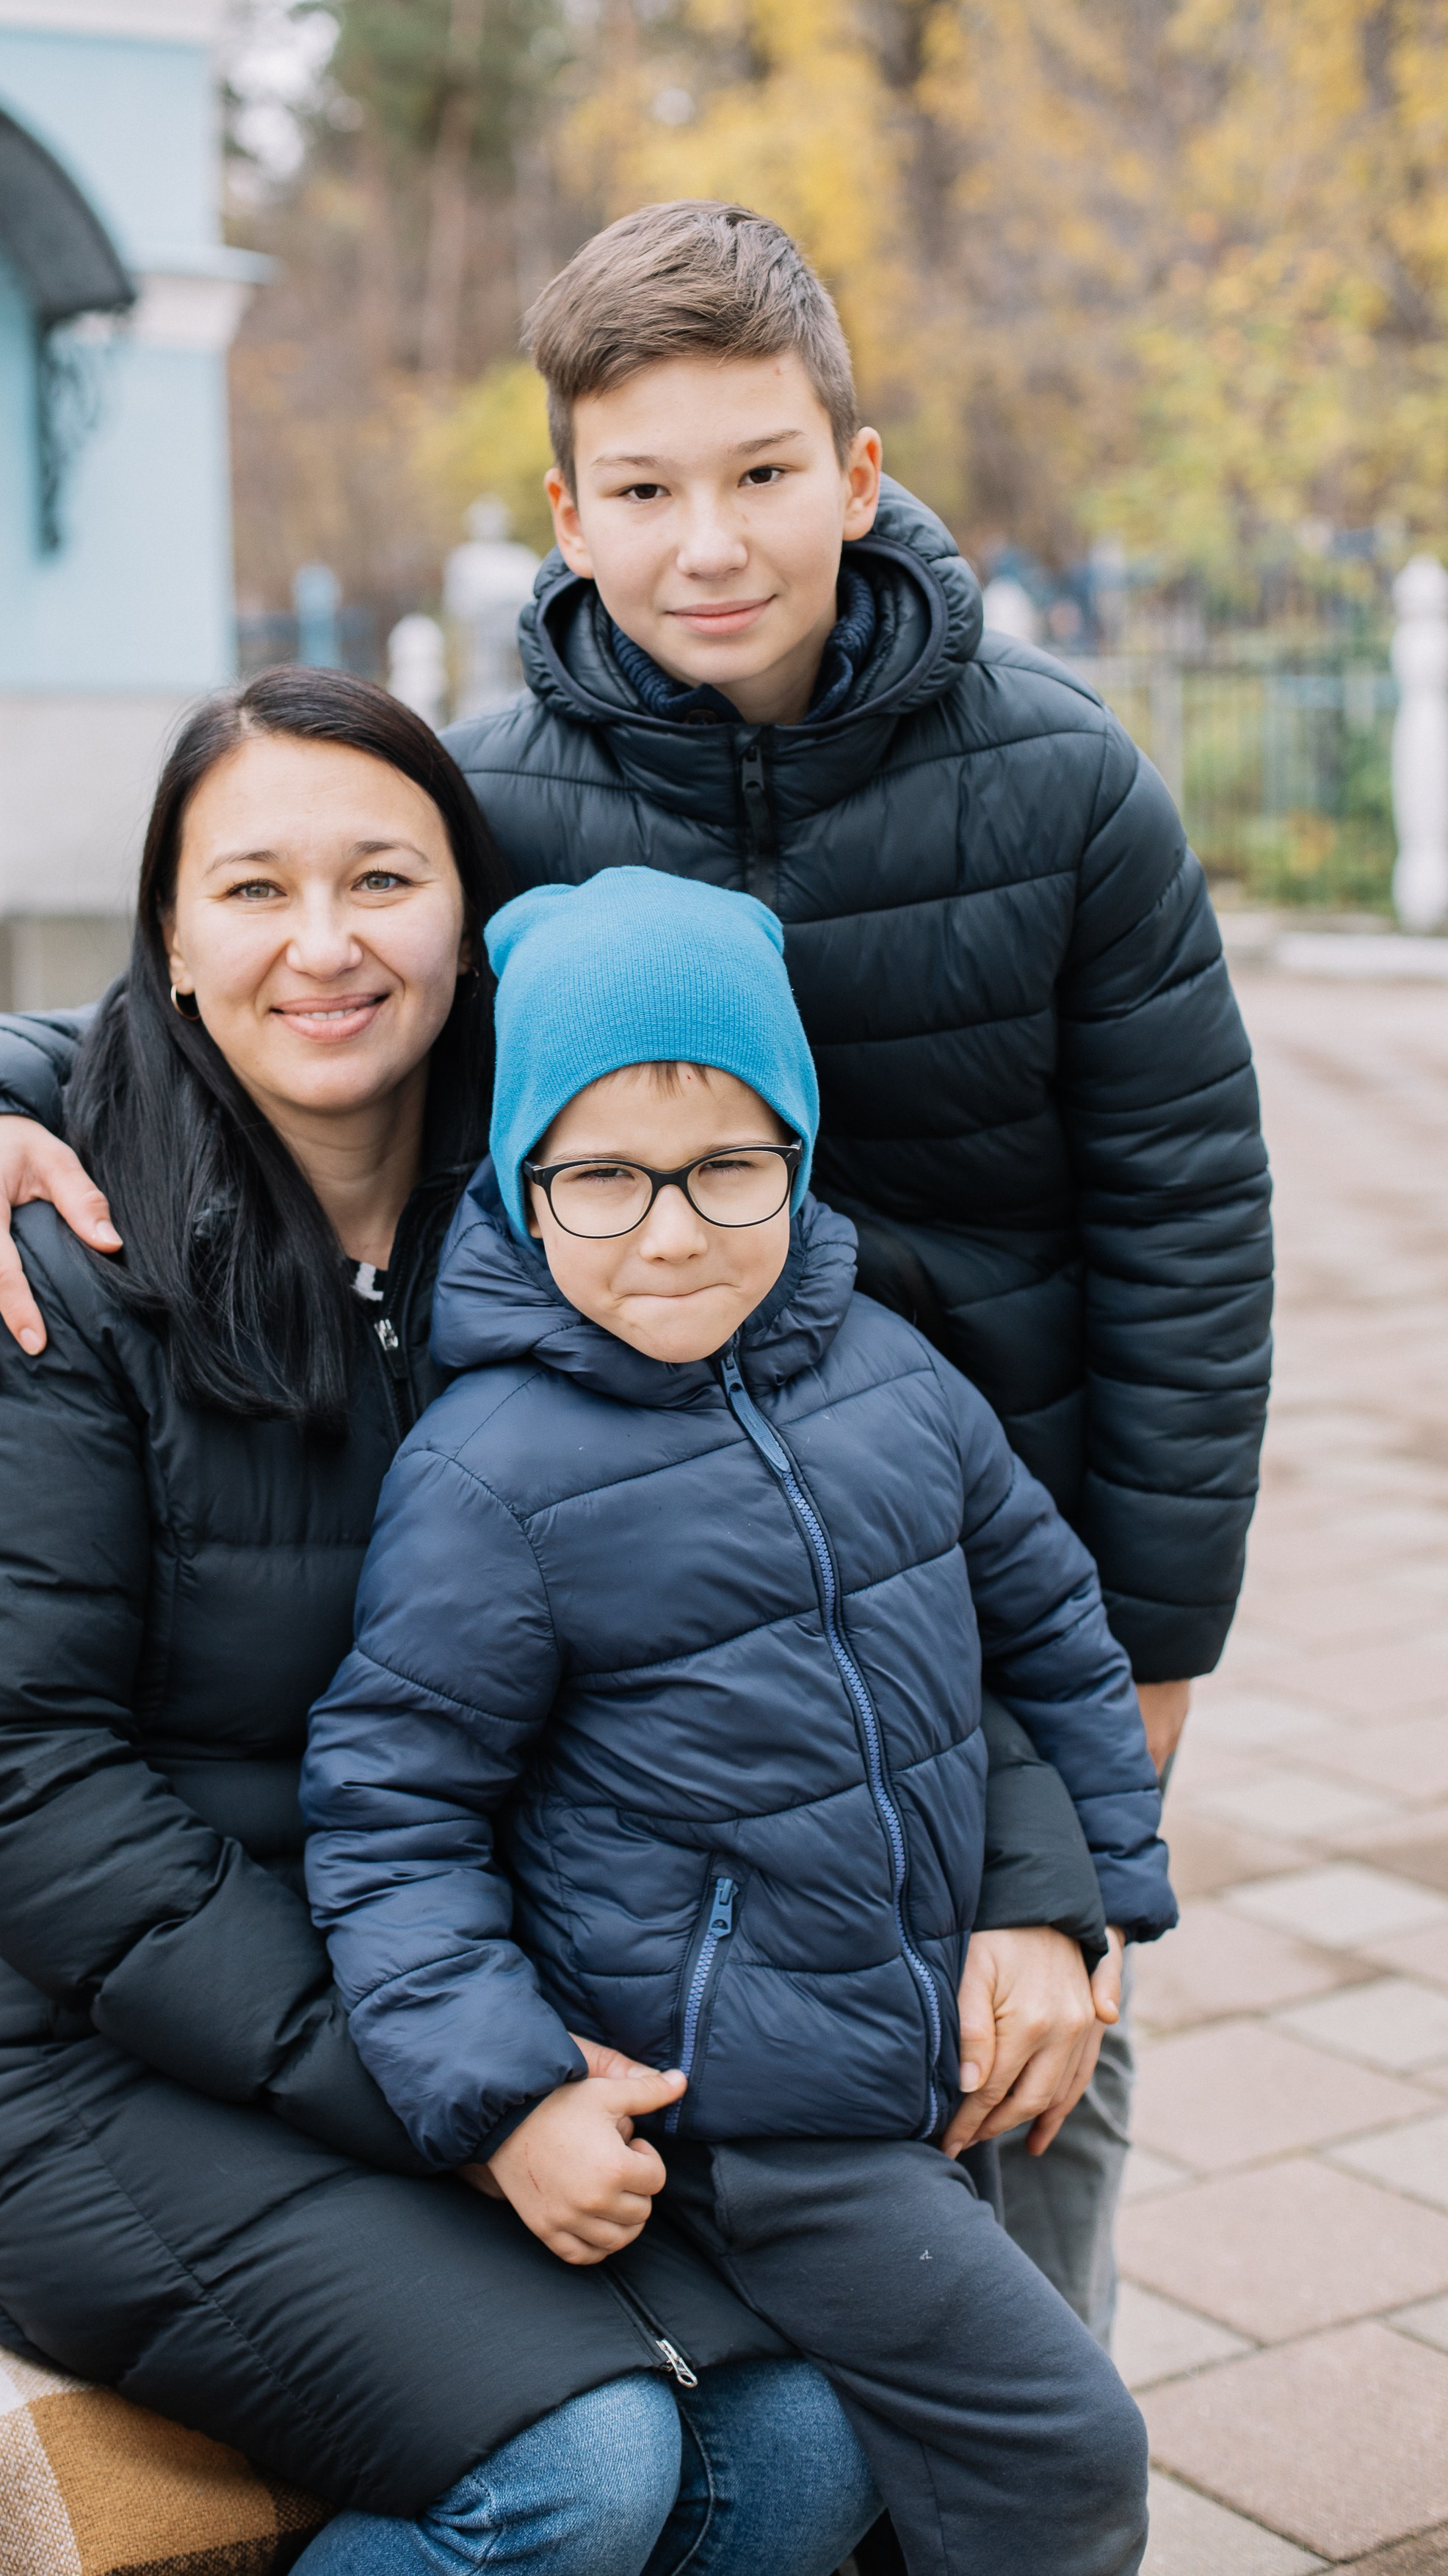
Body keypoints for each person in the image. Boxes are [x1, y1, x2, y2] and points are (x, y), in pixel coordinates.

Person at [0, 202, 1273, 2337]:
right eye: (642, 490)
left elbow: (1186, 1220)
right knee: (748, 2115)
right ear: (565, 509)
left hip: (985, 1554)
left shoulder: (1065, 783)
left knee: (1025, 2098)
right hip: (663, 1580)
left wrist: (1146, 1651)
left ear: (857, 471)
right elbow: (240, 982)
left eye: (759, 473)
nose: (706, 540)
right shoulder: (505, 794)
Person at [0, 670, 1114, 2576]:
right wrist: (467, 2091)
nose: (323, 943)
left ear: (471, 923)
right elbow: (14, 1784)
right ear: (172, 942)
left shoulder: (566, 1213)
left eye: (381, 877)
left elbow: (866, 1553)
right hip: (85, 2047)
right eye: (252, 890)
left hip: (456, 1987)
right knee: (581, 2468)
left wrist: (1032, 1871)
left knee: (801, 2436)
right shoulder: (44, 1270)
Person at [301, 866, 1173, 2576]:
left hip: (920, 2041)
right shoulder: (494, 1471)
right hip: (754, 2116)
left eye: (727, 1165)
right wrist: (503, 2095)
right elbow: (391, 1808)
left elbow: (1052, 1627)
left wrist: (1078, 1902)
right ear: (519, 1181)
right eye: (603, 1176)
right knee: (1063, 2447)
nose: (675, 1228)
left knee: (910, 2481)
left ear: (799, 1154)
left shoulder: (896, 1373)